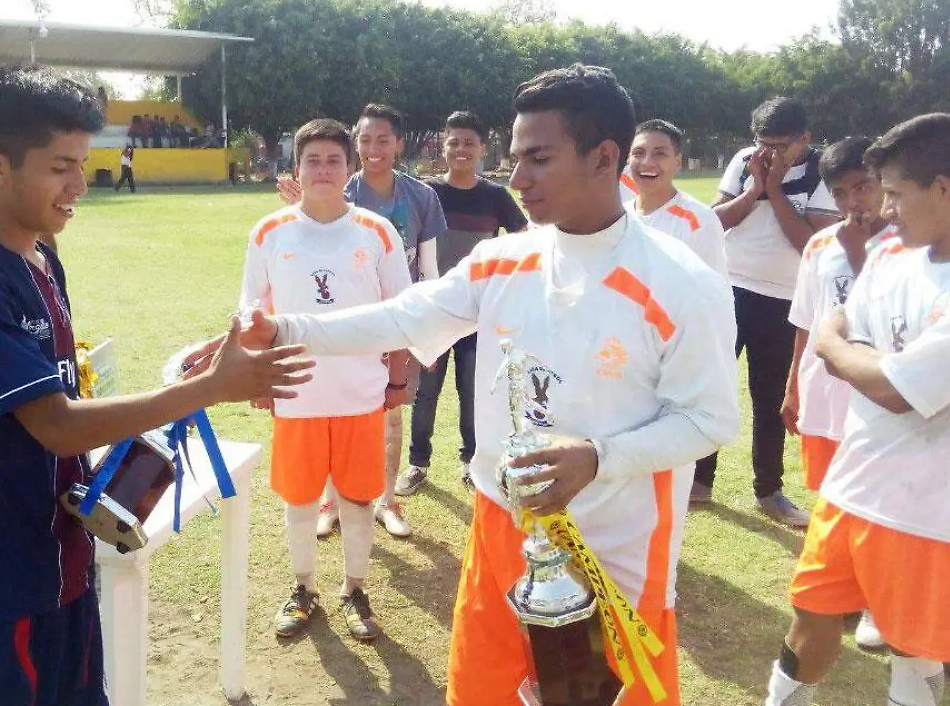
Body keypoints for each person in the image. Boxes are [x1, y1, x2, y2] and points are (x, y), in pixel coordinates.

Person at [197, 63, 739, 705]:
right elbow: (404, 315)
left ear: (603, 158)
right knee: (483, 690)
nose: (518, 178)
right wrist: (282, 326)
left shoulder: (682, 283)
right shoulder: (505, 258)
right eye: (516, 158)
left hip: (616, 544)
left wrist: (599, 458)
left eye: (539, 158)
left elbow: (709, 420)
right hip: (500, 524)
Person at [0, 65, 312, 706]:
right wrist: (208, 391)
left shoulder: (41, 254)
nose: (79, 184)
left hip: (60, 568)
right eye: (61, 166)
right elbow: (54, 421)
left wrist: (189, 379)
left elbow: (63, 402)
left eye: (83, 163)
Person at [764, 113, 950, 706]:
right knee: (811, 613)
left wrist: (844, 354)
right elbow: (839, 325)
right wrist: (858, 354)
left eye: (895, 195)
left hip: (931, 504)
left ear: (945, 188)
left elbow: (898, 393)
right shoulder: (889, 255)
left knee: (914, 651)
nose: (884, 210)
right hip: (853, 481)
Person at [240, 118, 413, 642]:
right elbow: (251, 312)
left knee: (360, 499)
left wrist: (398, 381)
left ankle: (355, 588)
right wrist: (259, 379)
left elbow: (402, 312)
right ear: (297, 168)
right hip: (297, 393)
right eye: (311, 159)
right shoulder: (269, 231)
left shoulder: (377, 231)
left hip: (361, 394)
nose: (322, 169)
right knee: (299, 500)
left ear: (350, 167)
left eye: (333, 160)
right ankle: (304, 588)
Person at [279, 103, 447, 538]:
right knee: (336, 414)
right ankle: (332, 501)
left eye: (382, 139)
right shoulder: (338, 188)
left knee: (389, 417)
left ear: (398, 144)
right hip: (335, 329)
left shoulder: (420, 197)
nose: (374, 149)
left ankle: (387, 500)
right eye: (365, 139)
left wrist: (425, 335)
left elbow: (428, 271)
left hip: (396, 324)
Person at [701, 97, 840, 525]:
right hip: (728, 289)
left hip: (784, 298)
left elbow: (808, 244)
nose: (770, 154)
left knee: (770, 398)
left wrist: (775, 190)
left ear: (805, 139)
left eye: (782, 145)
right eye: (763, 143)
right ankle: (698, 481)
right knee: (710, 386)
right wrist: (755, 188)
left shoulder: (824, 170)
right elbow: (714, 222)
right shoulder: (746, 160)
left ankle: (769, 490)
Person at [780, 136, 893, 652]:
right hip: (824, 395)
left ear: (886, 183)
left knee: (880, 499)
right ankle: (843, 590)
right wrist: (791, 387)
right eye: (843, 190)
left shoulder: (914, 244)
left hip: (879, 399)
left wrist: (864, 256)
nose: (855, 202)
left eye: (864, 186)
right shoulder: (820, 245)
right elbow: (805, 321)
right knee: (832, 495)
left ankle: (877, 601)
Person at [395, 110, 528, 497]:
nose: (461, 149)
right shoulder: (426, 192)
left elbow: (524, 237)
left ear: (482, 148)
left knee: (472, 392)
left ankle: (471, 462)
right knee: (426, 392)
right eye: (454, 141)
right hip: (436, 309)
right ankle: (418, 464)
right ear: (444, 145)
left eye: (469, 142)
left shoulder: (495, 196)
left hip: (480, 314)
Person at [624, 118, 727, 277]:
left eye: (660, 154)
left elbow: (715, 292)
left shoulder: (699, 220)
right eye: (638, 153)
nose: (647, 162)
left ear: (677, 162)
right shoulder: (618, 216)